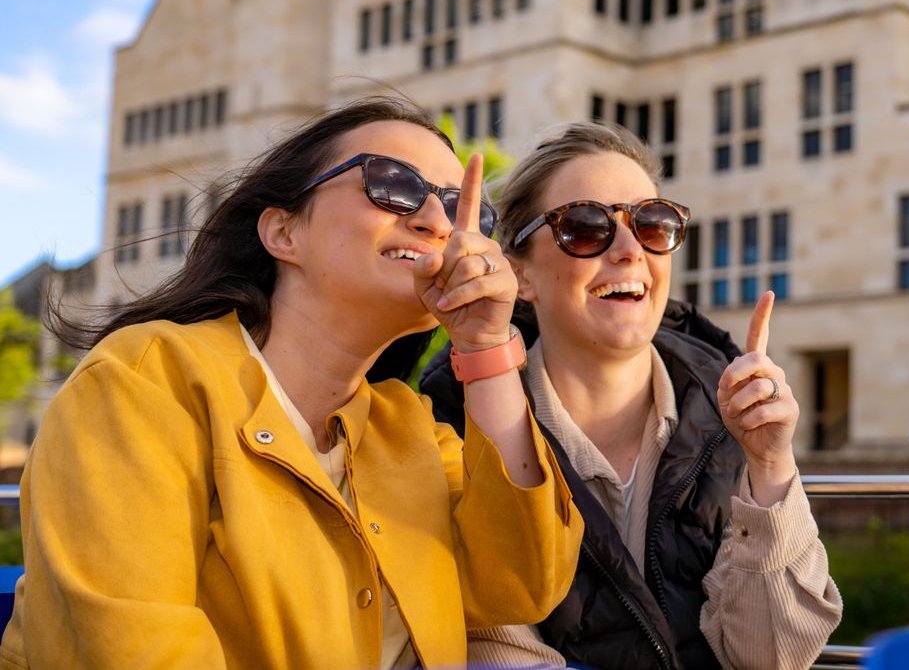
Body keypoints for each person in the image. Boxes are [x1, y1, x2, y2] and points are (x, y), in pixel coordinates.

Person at [0, 97, 582, 669]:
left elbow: (518, 584)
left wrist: (485, 348)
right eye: (393, 185)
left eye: (463, 211)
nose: (437, 222)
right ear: (283, 232)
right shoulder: (142, 383)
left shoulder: (407, 425)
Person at [422, 122, 842, 669]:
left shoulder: (731, 415)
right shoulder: (451, 424)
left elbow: (771, 658)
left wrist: (770, 465)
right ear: (519, 272)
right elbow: (501, 653)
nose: (628, 250)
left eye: (653, 223)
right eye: (585, 226)